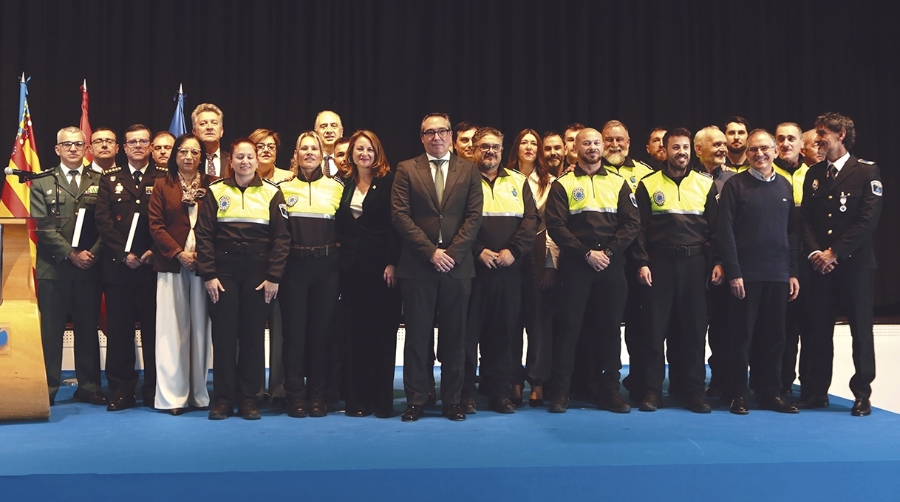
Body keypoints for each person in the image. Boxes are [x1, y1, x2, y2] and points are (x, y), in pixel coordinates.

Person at [391, 112, 483, 422]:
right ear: (422, 137)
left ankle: (452, 401)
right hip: (419, 265)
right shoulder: (406, 169)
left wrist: (452, 253)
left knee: (455, 338)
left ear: (451, 136)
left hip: (457, 267)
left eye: (442, 131)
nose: (437, 137)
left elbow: (474, 217)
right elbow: (400, 216)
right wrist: (431, 252)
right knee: (417, 337)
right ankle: (416, 400)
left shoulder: (469, 170)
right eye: (430, 132)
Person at [544, 127, 639, 413]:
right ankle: (561, 392)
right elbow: (556, 226)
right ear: (577, 148)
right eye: (587, 143)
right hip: (576, 264)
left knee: (610, 329)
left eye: (597, 142)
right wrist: (586, 253)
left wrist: (607, 253)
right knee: (569, 328)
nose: (593, 147)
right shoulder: (562, 184)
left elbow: (632, 224)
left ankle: (610, 391)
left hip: (611, 264)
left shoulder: (620, 183)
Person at [195, 138, 290, 420]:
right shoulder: (215, 191)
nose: (245, 162)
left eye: (250, 157)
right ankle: (223, 399)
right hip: (223, 272)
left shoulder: (273, 193)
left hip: (258, 273)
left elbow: (282, 238)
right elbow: (204, 236)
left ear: (257, 160)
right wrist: (208, 274)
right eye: (240, 157)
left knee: (251, 336)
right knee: (223, 336)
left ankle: (249, 399)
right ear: (231, 161)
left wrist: (274, 276)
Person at [796, 112, 883, 417]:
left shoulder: (866, 172)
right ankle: (816, 392)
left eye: (822, 133)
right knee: (819, 330)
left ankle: (862, 394)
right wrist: (815, 254)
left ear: (841, 135)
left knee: (861, 331)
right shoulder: (814, 174)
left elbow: (867, 221)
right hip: (820, 266)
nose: (817, 139)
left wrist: (835, 252)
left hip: (854, 265)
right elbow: (804, 219)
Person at [630, 128, 720, 413]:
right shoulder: (647, 184)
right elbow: (639, 230)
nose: (680, 152)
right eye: (674, 147)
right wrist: (641, 262)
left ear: (691, 150)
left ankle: (692, 391)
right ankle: (652, 392)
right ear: (665, 151)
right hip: (658, 264)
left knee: (693, 331)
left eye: (685, 147)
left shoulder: (705, 184)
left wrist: (717, 262)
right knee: (653, 331)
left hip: (695, 264)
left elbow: (717, 230)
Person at [717, 129, 800, 415]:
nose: (759, 154)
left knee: (775, 338)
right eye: (753, 150)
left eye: (765, 149)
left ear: (776, 151)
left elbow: (793, 233)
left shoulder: (785, 186)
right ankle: (738, 394)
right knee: (740, 338)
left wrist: (792, 272)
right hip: (745, 276)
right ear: (746, 154)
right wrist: (734, 271)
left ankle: (770, 393)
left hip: (778, 274)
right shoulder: (735, 186)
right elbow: (724, 231)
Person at [461, 127, 538, 414]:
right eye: (484, 146)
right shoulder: (462, 180)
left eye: (495, 147)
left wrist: (513, 251)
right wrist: (477, 250)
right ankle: (467, 393)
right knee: (468, 337)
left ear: (502, 150)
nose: (490, 151)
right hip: (472, 270)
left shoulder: (519, 181)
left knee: (504, 336)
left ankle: (500, 393)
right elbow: (455, 223)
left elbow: (531, 221)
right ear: (474, 149)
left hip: (509, 271)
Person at [31, 126, 105, 406]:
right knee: (51, 332)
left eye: (78, 144)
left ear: (87, 149)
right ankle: (48, 387)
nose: (73, 149)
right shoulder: (41, 182)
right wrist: (70, 253)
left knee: (88, 328)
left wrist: (92, 254)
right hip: (55, 268)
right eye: (67, 144)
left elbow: (105, 225)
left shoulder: (100, 180)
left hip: (89, 266)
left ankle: (88, 386)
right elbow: (43, 226)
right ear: (57, 149)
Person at [94, 124, 166, 411]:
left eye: (143, 141)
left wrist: (152, 251)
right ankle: (121, 388)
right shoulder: (110, 179)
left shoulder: (162, 177)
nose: (137, 146)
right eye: (131, 142)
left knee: (154, 329)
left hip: (152, 266)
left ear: (150, 146)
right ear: (123, 148)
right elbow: (103, 221)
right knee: (120, 330)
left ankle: (152, 388)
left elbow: (167, 220)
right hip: (119, 267)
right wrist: (124, 253)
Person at [335, 130, 402, 418]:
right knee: (355, 336)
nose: (364, 154)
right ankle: (357, 400)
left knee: (382, 336)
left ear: (378, 153)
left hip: (382, 270)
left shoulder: (389, 182)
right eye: (359, 149)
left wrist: (392, 262)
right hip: (351, 271)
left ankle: (381, 401)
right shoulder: (343, 183)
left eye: (369, 149)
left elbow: (397, 224)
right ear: (351, 154)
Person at [279, 132, 345, 418]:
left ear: (321, 153)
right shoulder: (281, 188)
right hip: (294, 268)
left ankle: (318, 395)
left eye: (313, 148)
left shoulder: (337, 187)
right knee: (294, 334)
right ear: (296, 154)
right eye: (303, 148)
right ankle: (295, 395)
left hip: (326, 268)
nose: (309, 152)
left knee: (322, 334)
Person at [148, 133, 212, 415]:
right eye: (184, 151)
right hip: (172, 264)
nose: (189, 157)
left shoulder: (212, 186)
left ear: (202, 156)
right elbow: (156, 225)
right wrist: (178, 253)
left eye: (195, 152)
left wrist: (202, 256)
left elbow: (217, 224)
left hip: (203, 266)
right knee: (171, 330)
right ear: (175, 155)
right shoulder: (162, 185)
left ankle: (198, 394)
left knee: (200, 329)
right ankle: (172, 396)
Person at [692, 126, 735, 398]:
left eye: (723, 144)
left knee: (723, 327)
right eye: (715, 144)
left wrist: (722, 260)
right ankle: (690, 381)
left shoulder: (735, 181)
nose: (722, 148)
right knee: (692, 325)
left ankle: (722, 380)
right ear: (699, 149)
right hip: (694, 263)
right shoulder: (688, 179)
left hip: (723, 263)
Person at [249, 128, 291, 406]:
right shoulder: (240, 179)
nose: (265, 150)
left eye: (271, 146)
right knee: (249, 330)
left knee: (280, 330)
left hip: (281, 266)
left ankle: (279, 390)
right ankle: (250, 389)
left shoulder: (289, 180)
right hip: (249, 266)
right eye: (259, 146)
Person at [773, 122, 813, 395]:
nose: (786, 143)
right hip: (775, 262)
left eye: (791, 139)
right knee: (779, 330)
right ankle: (778, 384)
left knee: (809, 329)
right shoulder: (765, 174)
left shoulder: (815, 176)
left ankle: (807, 387)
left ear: (802, 145)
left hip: (810, 263)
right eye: (781, 139)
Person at [192, 103, 229, 179]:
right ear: (194, 132)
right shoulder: (188, 161)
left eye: (214, 123)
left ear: (221, 131)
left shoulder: (232, 161)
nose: (209, 127)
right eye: (203, 123)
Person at [315, 110, 344, 178]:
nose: (329, 131)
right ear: (316, 133)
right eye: (323, 126)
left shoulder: (350, 162)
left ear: (341, 132)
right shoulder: (309, 160)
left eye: (334, 126)